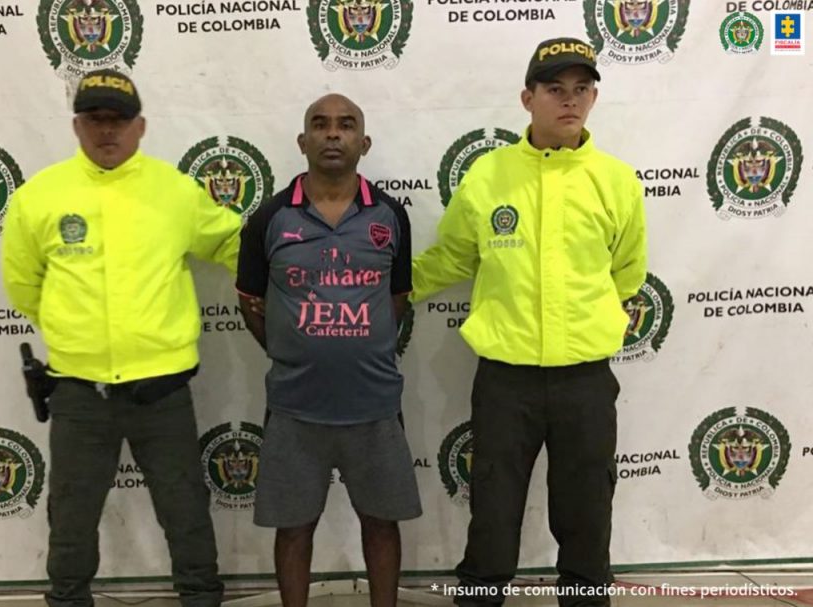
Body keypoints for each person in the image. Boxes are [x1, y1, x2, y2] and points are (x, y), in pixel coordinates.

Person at [411, 38, 647, 606]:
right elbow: (452, 258)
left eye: (581, 89)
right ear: (528, 97)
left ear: (593, 98)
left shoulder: (616, 182)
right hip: (505, 379)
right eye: (554, 89)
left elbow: (627, 274)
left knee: (586, 510)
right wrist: (385, 288)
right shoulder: (488, 177)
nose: (570, 101)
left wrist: (585, 324)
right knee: (493, 509)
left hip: (585, 379)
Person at [0, 69, 240, 607]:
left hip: (163, 390)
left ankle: (201, 598)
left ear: (141, 127)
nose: (107, 132)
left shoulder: (176, 192)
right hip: (79, 392)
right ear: (77, 125)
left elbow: (233, 246)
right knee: (71, 514)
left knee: (185, 510)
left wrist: (299, 244)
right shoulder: (40, 197)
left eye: (119, 121)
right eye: (95, 120)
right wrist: (80, 335)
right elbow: (24, 285)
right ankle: (67, 599)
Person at [236, 94, 422, 607]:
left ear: (364, 142)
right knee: (294, 528)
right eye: (320, 125)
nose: (333, 134)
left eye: (345, 125)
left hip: (374, 403)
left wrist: (357, 346)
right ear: (303, 142)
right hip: (296, 406)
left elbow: (397, 298)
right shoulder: (270, 217)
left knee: (381, 524)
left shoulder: (390, 215)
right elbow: (250, 301)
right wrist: (293, 352)